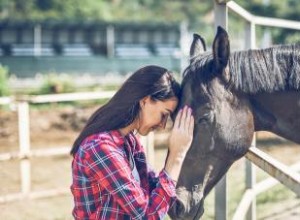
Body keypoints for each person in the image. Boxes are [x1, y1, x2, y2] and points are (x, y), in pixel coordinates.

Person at [70, 65, 194, 220]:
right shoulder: (100, 148)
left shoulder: (130, 143)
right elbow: (147, 216)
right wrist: (176, 156)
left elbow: (153, 191)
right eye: (164, 114)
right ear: (145, 101)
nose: (163, 125)